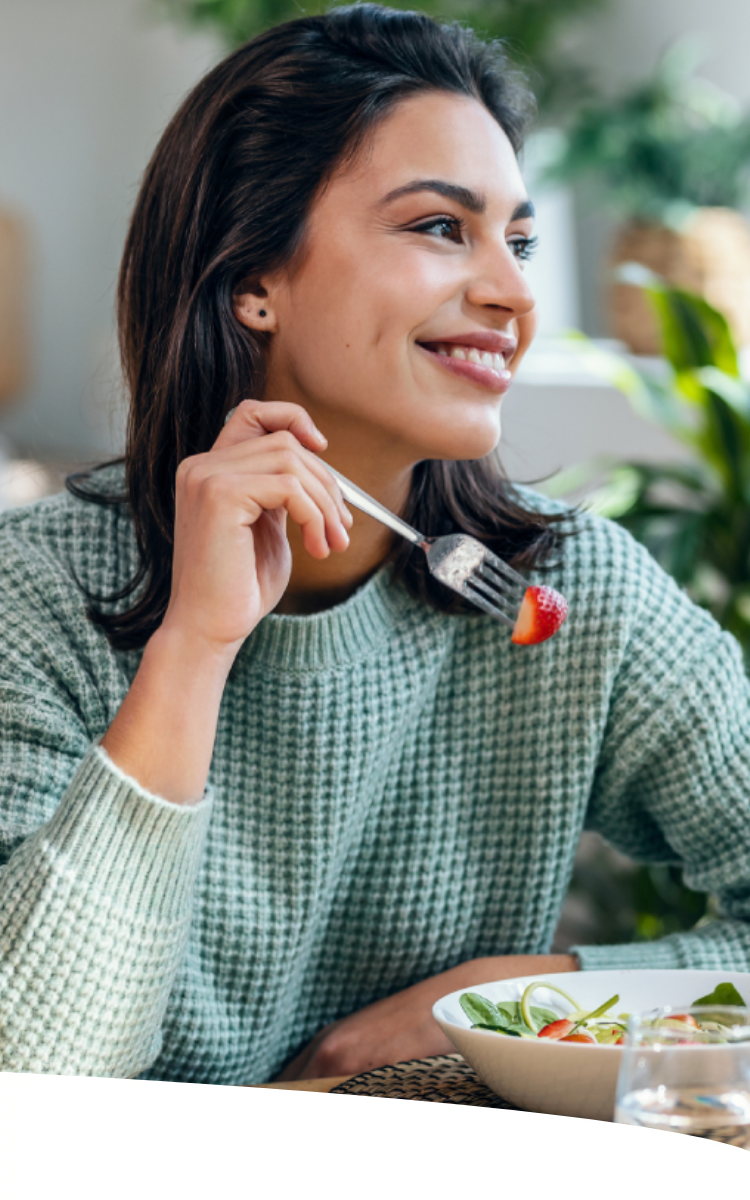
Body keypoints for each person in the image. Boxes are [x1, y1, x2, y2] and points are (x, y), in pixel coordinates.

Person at [1, 5, 749, 1086]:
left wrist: (497, 1006)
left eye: (519, 240)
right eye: (442, 228)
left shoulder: (572, 595)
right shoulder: (34, 599)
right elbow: (33, 1080)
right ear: (254, 278)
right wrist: (194, 650)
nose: (513, 294)